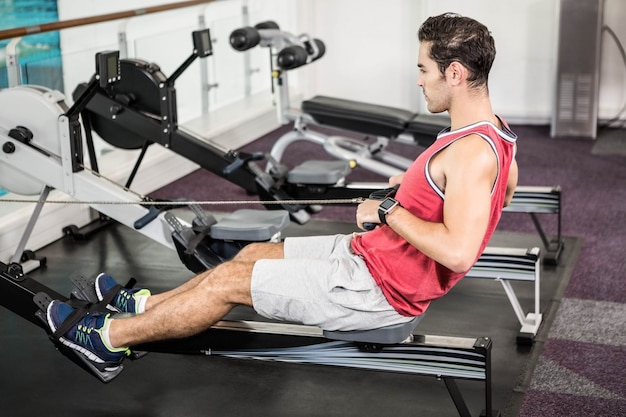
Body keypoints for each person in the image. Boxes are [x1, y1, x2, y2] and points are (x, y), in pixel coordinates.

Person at [45, 12, 518, 370]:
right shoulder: (495, 133)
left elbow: (458, 253)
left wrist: (390, 210)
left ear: (454, 73)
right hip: (367, 257)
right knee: (250, 254)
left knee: (230, 283)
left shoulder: (472, 150)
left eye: (424, 70)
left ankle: (109, 341)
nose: (418, 80)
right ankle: (145, 307)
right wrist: (414, 189)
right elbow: (502, 194)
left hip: (378, 290)